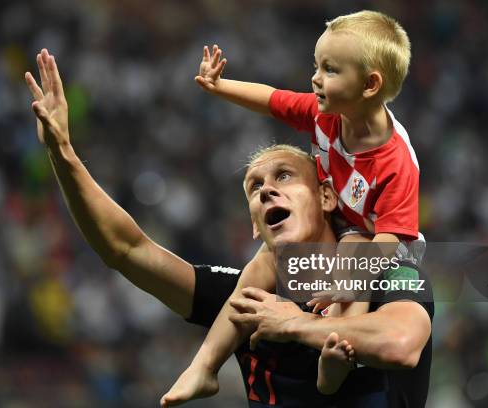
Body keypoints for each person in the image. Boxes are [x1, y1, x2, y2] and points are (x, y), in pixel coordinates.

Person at [24, 48, 433, 407]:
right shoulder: (245, 301)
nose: (267, 191)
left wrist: (296, 324)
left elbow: (401, 344)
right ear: (255, 227)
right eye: (255, 188)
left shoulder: (388, 273)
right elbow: (126, 249)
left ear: (327, 197)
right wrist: (62, 154)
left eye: (285, 177)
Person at [165, 10, 424, 403]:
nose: (316, 78)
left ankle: (333, 363)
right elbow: (272, 100)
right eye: (316, 65)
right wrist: (220, 86)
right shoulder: (325, 115)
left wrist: (346, 279)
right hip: (340, 219)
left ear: (370, 84)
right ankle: (203, 366)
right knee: (262, 262)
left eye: (330, 70)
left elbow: (390, 237)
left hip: (378, 241)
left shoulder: (395, 163)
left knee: (351, 264)